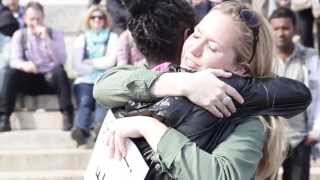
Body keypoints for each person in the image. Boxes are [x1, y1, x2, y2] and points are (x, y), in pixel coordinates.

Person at [94, 1, 311, 179]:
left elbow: (223, 176)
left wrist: (148, 127)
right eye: (196, 35)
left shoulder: (244, 119)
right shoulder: (169, 73)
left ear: (240, 69)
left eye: (213, 47)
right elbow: (104, 87)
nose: (194, 49)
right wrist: (182, 84)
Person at [0, 1, 74, 131]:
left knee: (60, 72)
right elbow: (14, 60)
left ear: (43, 18)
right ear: (25, 19)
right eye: (31, 19)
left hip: (49, 78)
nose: (35, 22)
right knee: (11, 73)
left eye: (38, 19)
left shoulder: (55, 34)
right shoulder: (20, 35)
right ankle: (4, 117)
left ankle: (67, 115)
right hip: (29, 77)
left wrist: (47, 40)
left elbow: (61, 60)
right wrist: (25, 65)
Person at [269, 7, 320, 180]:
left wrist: (316, 132)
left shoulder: (310, 58)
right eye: (276, 29)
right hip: (268, 140)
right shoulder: (264, 60)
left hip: (299, 139)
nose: (281, 33)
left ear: (295, 29)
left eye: (285, 28)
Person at [71, 5, 119, 147]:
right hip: (84, 80)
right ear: (88, 20)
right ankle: (80, 130)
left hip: (105, 79)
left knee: (101, 103)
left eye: (100, 17)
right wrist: (98, 65)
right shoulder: (82, 38)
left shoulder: (112, 37)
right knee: (85, 102)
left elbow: (111, 61)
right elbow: (76, 65)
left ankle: (99, 129)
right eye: (93, 17)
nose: (97, 20)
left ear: (105, 20)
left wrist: (89, 63)